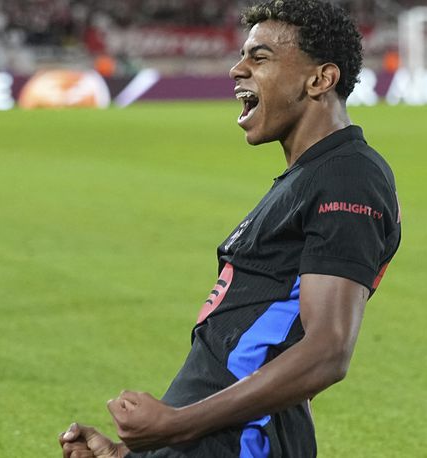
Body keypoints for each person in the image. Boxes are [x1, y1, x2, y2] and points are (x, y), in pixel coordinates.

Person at [59, 1, 402, 456]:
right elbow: (260, 350)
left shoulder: (347, 176)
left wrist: (176, 426)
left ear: (320, 79)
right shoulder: (308, 178)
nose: (236, 69)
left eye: (259, 58)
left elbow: (326, 352)